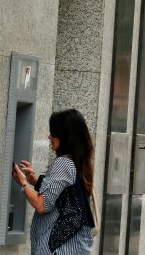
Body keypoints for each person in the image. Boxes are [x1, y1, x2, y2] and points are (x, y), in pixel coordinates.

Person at [12, 109, 95, 254]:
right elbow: (63, 194)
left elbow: (42, 205)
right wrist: (35, 181)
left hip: (59, 248)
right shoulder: (78, 162)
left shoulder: (63, 163)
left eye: (53, 132)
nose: (49, 136)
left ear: (65, 136)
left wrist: (23, 183)